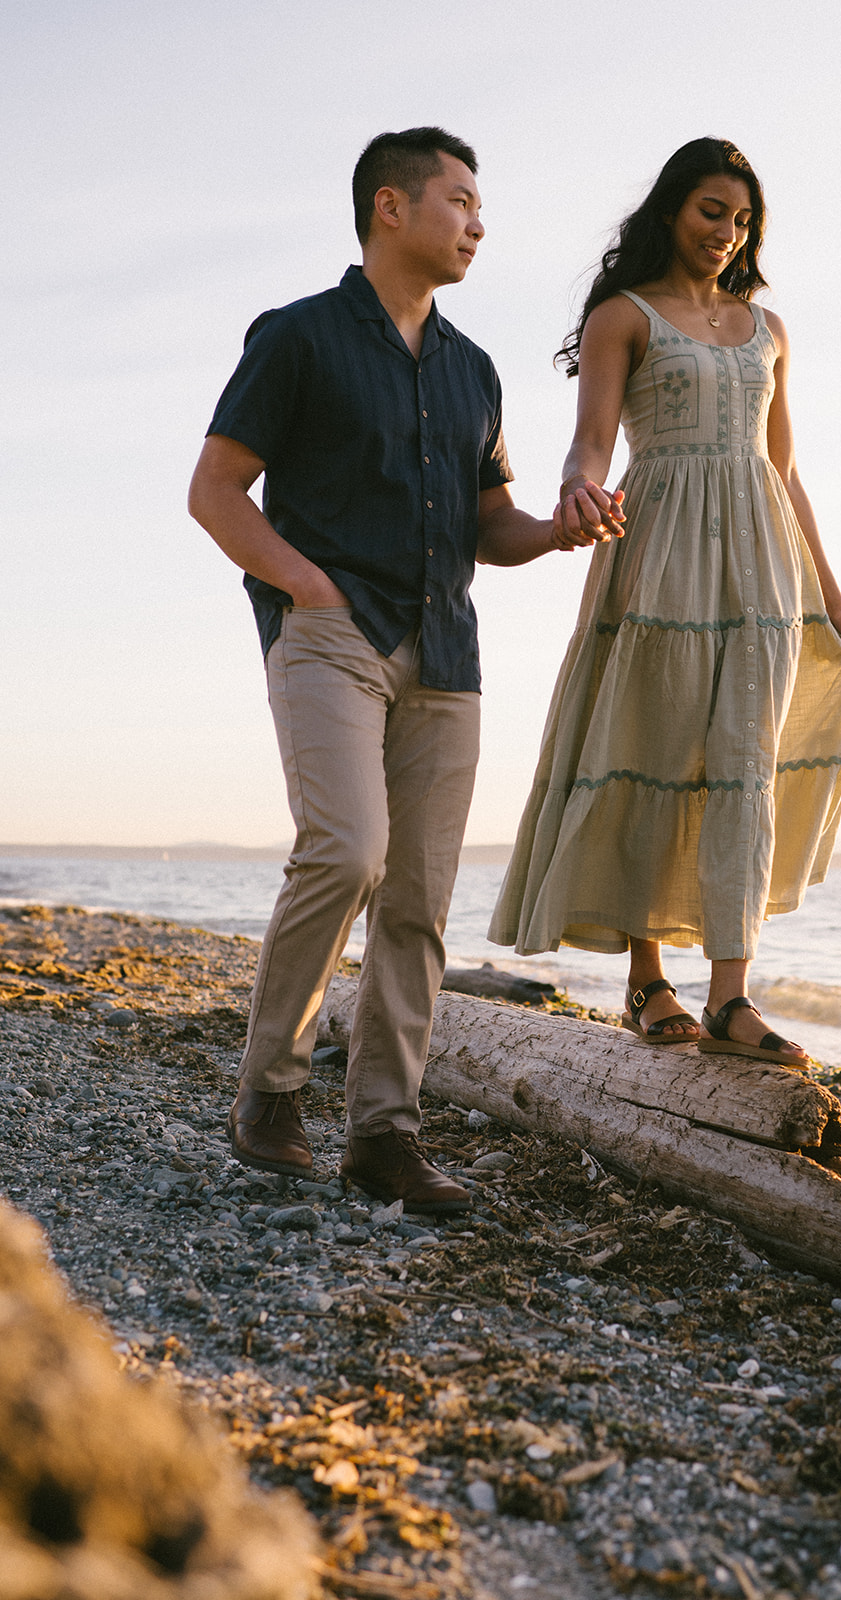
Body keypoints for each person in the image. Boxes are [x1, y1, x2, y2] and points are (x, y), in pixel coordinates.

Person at [188, 127, 612, 1213]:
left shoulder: (473, 371)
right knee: (346, 850)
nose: (478, 223)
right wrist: (306, 587)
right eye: (461, 200)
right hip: (331, 632)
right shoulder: (296, 338)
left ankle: (384, 1134)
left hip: (446, 654)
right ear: (391, 205)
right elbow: (217, 493)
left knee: (419, 902)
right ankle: (269, 1092)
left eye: (480, 206)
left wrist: (558, 530)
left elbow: (487, 527)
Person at [489, 137, 841, 1061]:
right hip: (655, 548)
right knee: (651, 747)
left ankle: (733, 998)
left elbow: (783, 470)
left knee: (745, 764)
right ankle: (648, 980)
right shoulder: (624, 316)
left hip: (762, 566)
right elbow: (591, 443)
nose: (726, 234)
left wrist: (830, 593)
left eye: (742, 221)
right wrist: (577, 492)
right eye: (711, 212)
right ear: (670, 210)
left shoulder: (767, 330)